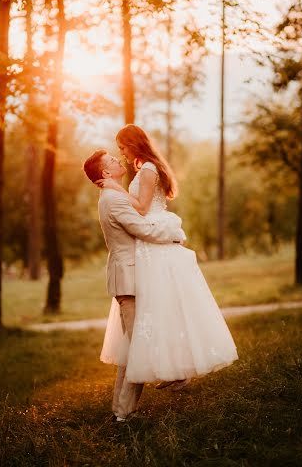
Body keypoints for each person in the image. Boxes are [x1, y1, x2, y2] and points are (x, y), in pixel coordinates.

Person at [98, 124, 238, 388]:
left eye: (123, 147)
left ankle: (177, 370)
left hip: (154, 243)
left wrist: (116, 190)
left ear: (134, 144)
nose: (122, 153)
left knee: (162, 306)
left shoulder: (149, 169)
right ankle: (171, 369)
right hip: (147, 244)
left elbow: (141, 208)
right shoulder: (145, 169)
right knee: (160, 309)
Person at [83, 149, 186, 421]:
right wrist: (174, 234)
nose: (119, 160)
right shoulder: (114, 199)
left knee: (135, 343)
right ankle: (125, 412)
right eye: (113, 161)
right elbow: (142, 229)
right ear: (105, 173)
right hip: (127, 278)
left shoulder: (113, 195)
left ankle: (123, 410)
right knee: (137, 344)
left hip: (132, 275)